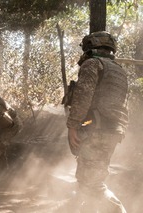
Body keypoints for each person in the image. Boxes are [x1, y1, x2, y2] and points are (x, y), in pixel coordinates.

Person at [66, 31, 128, 213]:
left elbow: (83, 96)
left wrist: (72, 125)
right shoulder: (118, 70)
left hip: (96, 130)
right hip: (112, 130)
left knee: (91, 183)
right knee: (90, 179)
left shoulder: (92, 63)